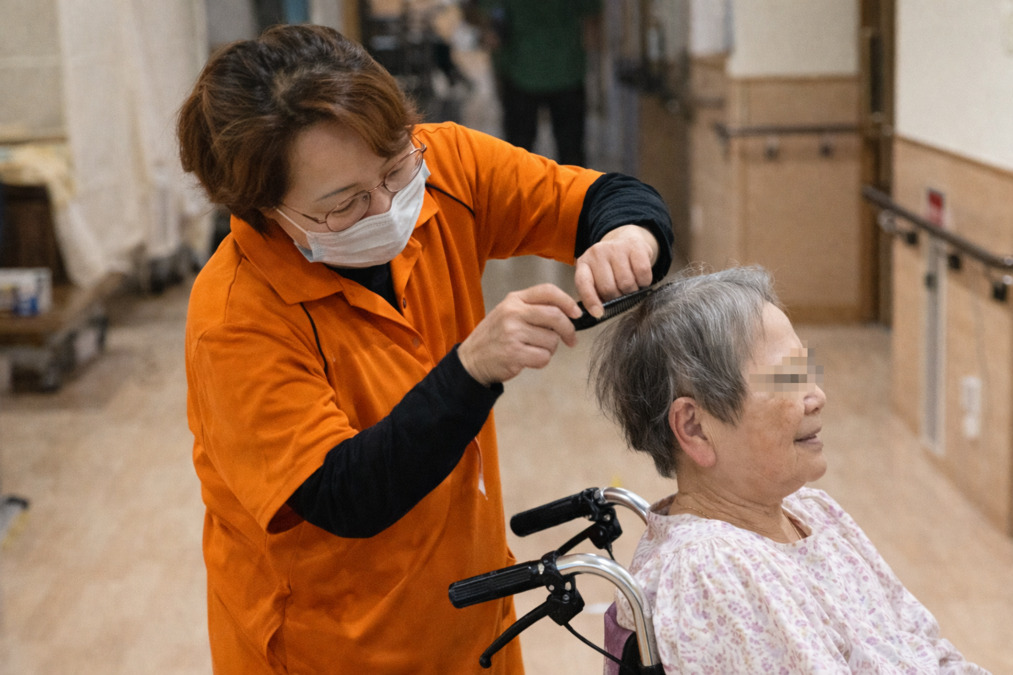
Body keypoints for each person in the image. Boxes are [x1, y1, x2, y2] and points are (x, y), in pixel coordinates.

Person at [177, 24, 673, 674]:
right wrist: (470, 371)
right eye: (345, 204)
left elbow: (603, 198)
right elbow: (345, 492)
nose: (389, 207)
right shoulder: (235, 315)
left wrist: (628, 239)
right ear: (264, 207)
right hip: (333, 650)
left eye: (393, 169)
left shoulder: (441, 167)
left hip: (473, 617)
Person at [589, 266, 988, 674]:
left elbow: (924, 647)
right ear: (695, 427)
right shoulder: (712, 572)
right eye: (787, 377)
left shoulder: (812, 510)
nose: (818, 396)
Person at [468, 0, 601, 166]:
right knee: (571, 154)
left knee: (518, 156)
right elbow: (592, 21)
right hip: (566, 70)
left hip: (521, 71)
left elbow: (490, 30)